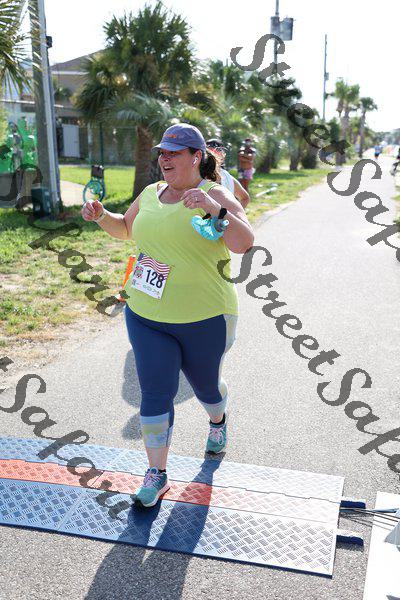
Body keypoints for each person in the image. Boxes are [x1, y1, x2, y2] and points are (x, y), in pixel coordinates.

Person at [81, 123, 254, 508]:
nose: (165, 159)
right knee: (155, 391)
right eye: (162, 152)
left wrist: (212, 207)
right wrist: (101, 215)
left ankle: (218, 421)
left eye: (174, 152)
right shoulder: (150, 193)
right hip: (145, 313)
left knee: (207, 389)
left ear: (196, 157)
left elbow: (244, 243)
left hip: (205, 318)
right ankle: (156, 473)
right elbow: (125, 229)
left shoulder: (215, 193)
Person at [206, 138, 250, 209]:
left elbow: (245, 198)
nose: (212, 157)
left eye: (215, 153)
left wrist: (236, 213)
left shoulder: (228, 178)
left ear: (223, 156)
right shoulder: (197, 176)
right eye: (209, 153)